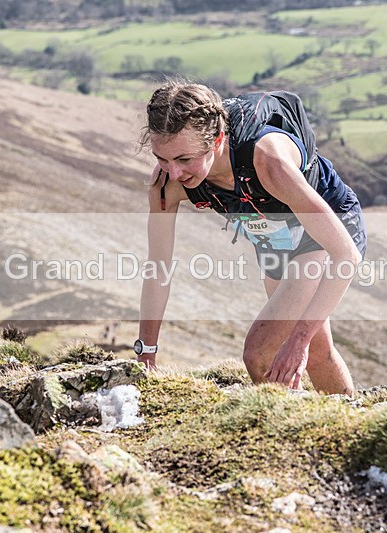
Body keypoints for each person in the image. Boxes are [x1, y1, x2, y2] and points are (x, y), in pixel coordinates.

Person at [134, 80, 367, 395]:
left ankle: (287, 429)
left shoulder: (267, 162)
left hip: (329, 230)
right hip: (276, 240)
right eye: (163, 159)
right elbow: (158, 267)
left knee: (261, 353)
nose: (173, 173)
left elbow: (346, 255)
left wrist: (299, 341)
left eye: (185, 160)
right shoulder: (166, 185)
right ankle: (342, 428)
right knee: (317, 354)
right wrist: (146, 351)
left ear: (217, 139)